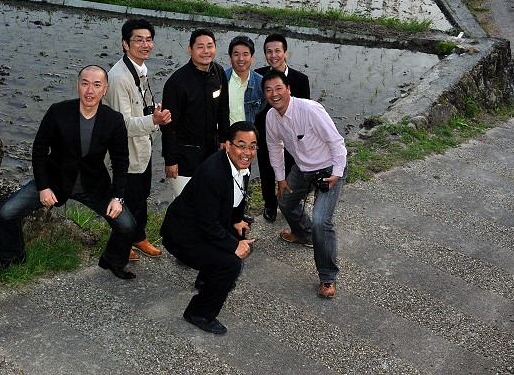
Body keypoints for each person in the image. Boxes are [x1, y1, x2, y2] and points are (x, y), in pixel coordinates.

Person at [0, 65, 136, 280]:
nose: (90, 90)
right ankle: (12, 257)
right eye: (85, 83)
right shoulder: (58, 111)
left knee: (127, 226)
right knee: (6, 213)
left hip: (93, 185)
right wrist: (43, 187)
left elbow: (121, 161)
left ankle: (112, 260)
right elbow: (39, 150)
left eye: (97, 85)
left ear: (105, 89)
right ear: (77, 86)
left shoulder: (114, 120)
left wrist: (117, 197)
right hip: (55, 181)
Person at [160, 121, 257, 335]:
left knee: (238, 235)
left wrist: (237, 221)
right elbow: (208, 225)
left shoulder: (240, 165)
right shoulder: (213, 174)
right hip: (183, 235)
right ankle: (199, 312)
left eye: (252, 146)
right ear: (228, 145)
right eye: (241, 145)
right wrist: (234, 245)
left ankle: (207, 280)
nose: (247, 152)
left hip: (202, 226)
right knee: (231, 264)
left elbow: (236, 198)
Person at [262, 70, 347, 300]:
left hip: (329, 168)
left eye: (279, 88)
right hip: (302, 169)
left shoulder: (309, 110)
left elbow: (336, 142)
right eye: (268, 90)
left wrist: (337, 173)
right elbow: (274, 147)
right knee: (286, 200)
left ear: (289, 89)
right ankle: (304, 234)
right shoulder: (271, 117)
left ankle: (327, 277)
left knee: (322, 220)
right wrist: (280, 178)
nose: (274, 94)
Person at [105, 17, 171, 261]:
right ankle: (122, 243)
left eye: (149, 40)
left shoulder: (140, 70)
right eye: (138, 40)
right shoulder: (119, 78)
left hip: (143, 145)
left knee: (141, 194)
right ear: (125, 43)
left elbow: (139, 109)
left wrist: (154, 111)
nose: (145, 45)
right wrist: (154, 121)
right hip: (127, 151)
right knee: (127, 199)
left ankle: (138, 237)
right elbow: (121, 124)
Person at [161, 28, 230, 196]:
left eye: (210, 46)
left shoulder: (218, 73)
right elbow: (168, 125)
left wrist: (224, 138)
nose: (206, 51)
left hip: (210, 153)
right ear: (189, 49)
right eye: (200, 47)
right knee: (185, 204)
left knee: (207, 199)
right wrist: (170, 160)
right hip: (185, 157)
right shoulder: (177, 83)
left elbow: (223, 108)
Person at [255, 33, 310, 222]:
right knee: (267, 169)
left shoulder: (300, 80)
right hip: (264, 134)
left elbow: (305, 112)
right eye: (269, 52)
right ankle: (270, 204)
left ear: (285, 52)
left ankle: (291, 205)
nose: (273, 55)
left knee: (292, 171)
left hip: (291, 136)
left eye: (278, 51)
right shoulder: (258, 76)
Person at [224, 35, 266, 125]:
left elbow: (261, 111)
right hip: (222, 136)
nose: (241, 59)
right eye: (236, 54)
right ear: (230, 58)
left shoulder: (261, 83)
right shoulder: (221, 80)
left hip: (248, 136)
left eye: (245, 54)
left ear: (252, 58)